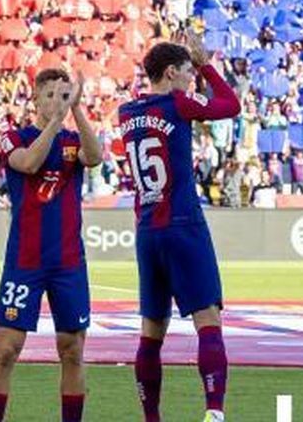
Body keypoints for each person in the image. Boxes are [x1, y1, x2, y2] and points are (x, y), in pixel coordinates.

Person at [118, 33, 240, 422]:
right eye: (188, 73)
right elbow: (230, 105)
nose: (192, 80)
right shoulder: (178, 104)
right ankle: (214, 413)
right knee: (208, 321)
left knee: (151, 333)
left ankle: (151, 417)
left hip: (147, 229)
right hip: (183, 223)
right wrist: (207, 65)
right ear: (171, 73)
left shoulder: (126, 112)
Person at [0, 67, 104, 422]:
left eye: (63, 95)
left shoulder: (72, 141)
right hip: (24, 261)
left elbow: (95, 157)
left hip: (68, 263)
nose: (56, 102)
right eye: (50, 95)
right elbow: (30, 162)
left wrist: (77, 111)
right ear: (35, 98)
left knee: (72, 350)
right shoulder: (13, 137)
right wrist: (55, 122)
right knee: (6, 349)